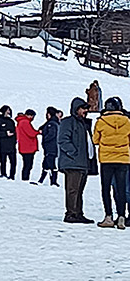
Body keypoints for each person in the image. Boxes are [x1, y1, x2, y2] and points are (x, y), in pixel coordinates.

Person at [92, 97, 130, 229]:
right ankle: (121, 217)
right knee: (121, 189)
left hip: (106, 159)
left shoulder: (101, 121)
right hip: (123, 159)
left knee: (106, 188)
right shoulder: (127, 121)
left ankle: (108, 216)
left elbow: (95, 140)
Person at [58, 97, 95, 223]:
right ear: (76, 109)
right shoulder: (68, 122)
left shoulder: (83, 123)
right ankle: (71, 214)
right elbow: (63, 139)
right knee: (73, 190)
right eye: (83, 108)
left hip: (83, 162)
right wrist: (73, 153)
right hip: (73, 162)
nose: (85, 111)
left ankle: (78, 213)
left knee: (79, 190)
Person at [38, 107, 62, 186]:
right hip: (53, 147)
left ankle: (53, 181)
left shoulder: (51, 124)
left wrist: (45, 139)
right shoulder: (54, 122)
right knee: (47, 163)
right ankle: (43, 180)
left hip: (50, 147)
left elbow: (51, 134)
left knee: (50, 164)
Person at [0, 105, 17, 179]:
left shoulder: (11, 121)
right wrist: (5, 134)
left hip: (11, 145)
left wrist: (14, 140)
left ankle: (12, 175)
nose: (9, 112)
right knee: (3, 161)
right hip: (3, 144)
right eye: (7, 110)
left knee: (13, 162)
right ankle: (3, 174)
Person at [15, 109, 40, 181]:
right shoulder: (25, 122)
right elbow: (31, 133)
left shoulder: (20, 122)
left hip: (24, 147)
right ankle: (25, 178)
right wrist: (38, 132)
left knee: (26, 164)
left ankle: (25, 178)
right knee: (28, 165)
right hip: (28, 147)